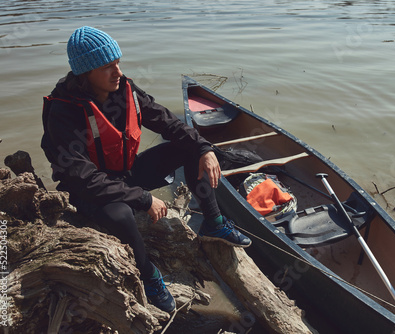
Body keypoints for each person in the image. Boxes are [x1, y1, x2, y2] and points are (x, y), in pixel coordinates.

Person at [41, 26, 251, 313]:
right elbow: (83, 178)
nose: (117, 72)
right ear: (85, 73)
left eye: (117, 63)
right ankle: (149, 274)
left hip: (126, 173)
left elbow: (168, 122)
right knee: (122, 213)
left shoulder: (124, 89)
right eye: (107, 67)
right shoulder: (63, 113)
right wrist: (143, 198)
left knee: (189, 148)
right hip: (88, 190)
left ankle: (213, 223)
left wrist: (204, 148)